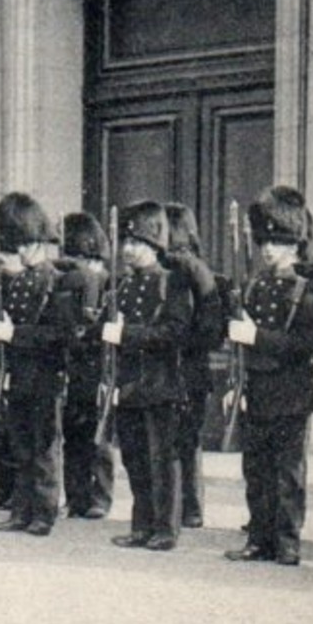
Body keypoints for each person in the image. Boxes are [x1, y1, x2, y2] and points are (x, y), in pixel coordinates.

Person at [225, 187, 313, 566]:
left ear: (295, 244)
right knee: (255, 470)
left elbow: (305, 344)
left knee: (288, 474)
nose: (268, 250)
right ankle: (259, 539)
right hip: (256, 389)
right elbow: (242, 344)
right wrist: (234, 383)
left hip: (291, 392)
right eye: (265, 241)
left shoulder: (308, 287)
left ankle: (287, 541)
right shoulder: (256, 284)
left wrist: (255, 336)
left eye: (278, 242)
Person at [104, 201, 194, 552]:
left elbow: (175, 333)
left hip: (161, 385)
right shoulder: (124, 286)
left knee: (163, 459)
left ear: (155, 245)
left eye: (137, 242)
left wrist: (126, 335)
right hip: (129, 385)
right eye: (126, 242)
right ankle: (141, 525)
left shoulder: (171, 283)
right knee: (136, 459)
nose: (129, 249)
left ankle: (166, 528)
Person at [0, 192, 72, 537]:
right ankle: (21, 510)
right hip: (18, 374)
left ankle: (44, 511)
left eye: (21, 243)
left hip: (44, 374)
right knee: (19, 444)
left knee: (43, 446)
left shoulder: (57, 280)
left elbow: (60, 333)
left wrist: (14, 333)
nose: (16, 251)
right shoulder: (18, 281)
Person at [163, 203, 224, 529]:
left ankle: (189, 507)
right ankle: (186, 508)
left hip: (187, 368)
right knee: (183, 441)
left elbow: (209, 329)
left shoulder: (189, 270)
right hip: (185, 369)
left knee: (182, 442)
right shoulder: (194, 268)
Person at [58, 212, 115, 520]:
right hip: (74, 363)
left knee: (98, 434)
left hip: (98, 364)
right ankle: (76, 495)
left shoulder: (109, 284)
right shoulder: (71, 281)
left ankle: (100, 496)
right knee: (73, 433)